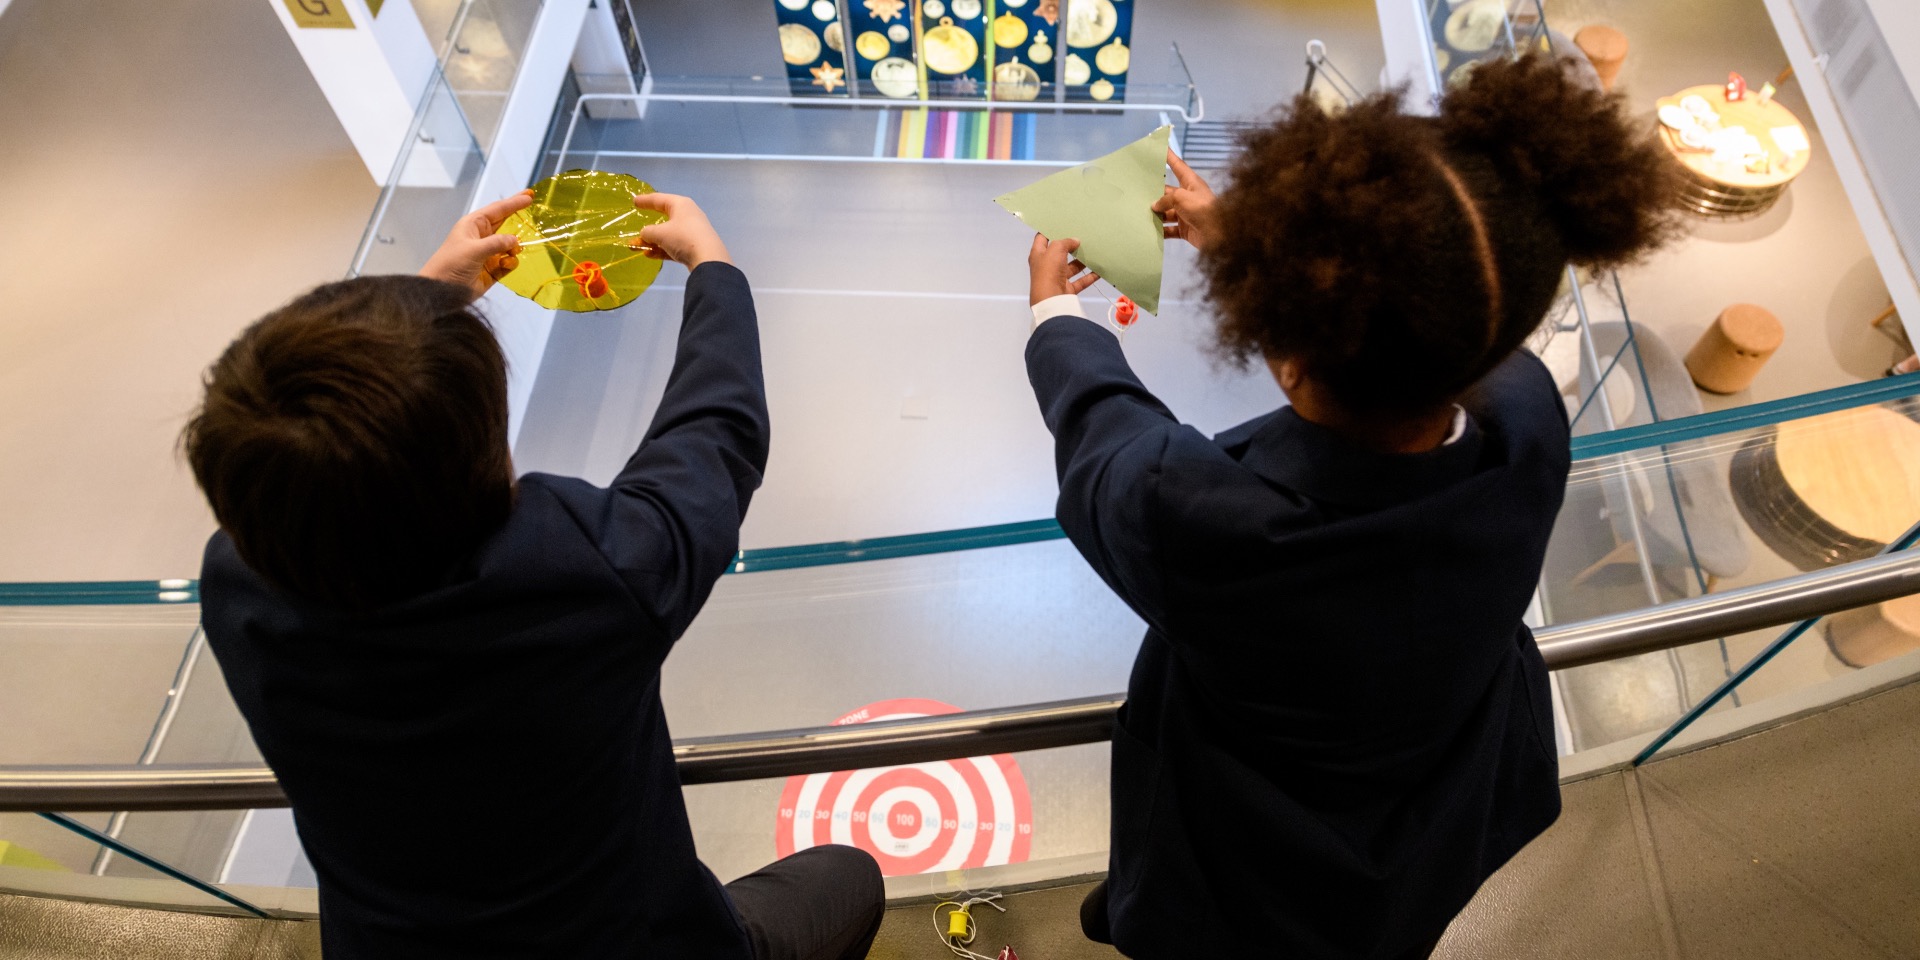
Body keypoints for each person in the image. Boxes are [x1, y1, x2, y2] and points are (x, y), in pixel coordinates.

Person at [1021, 55, 1682, 959]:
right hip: (1440, 806)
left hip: (1251, 862)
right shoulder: (1529, 419)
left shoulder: (1208, 521)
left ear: (1286, 349)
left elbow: (1106, 448)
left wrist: (1056, 319)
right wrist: (1256, 253)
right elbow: (1408, 340)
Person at [184, 191, 884, 960]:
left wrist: (423, 310)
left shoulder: (238, 591)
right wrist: (712, 267)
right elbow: (718, 436)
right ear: (487, 467)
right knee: (852, 876)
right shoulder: (590, 575)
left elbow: (321, 475)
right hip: (637, 945)